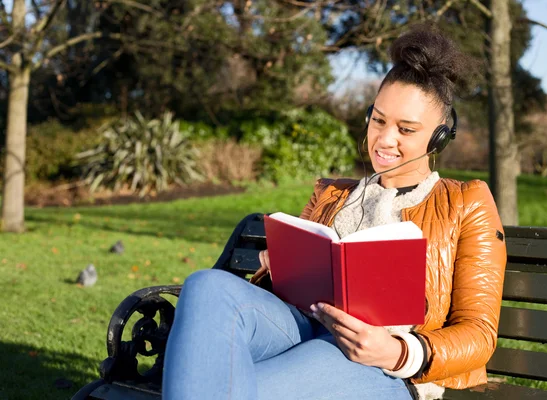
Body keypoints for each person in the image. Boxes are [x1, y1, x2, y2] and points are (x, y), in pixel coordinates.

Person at [163, 25, 507, 400]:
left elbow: (479, 332)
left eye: (406, 130)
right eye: (378, 120)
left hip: (379, 367)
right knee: (206, 285)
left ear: (439, 136)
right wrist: (279, 268)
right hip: (301, 326)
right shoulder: (331, 194)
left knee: (233, 387)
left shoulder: (465, 203)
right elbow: (287, 286)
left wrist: (399, 352)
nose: (385, 139)